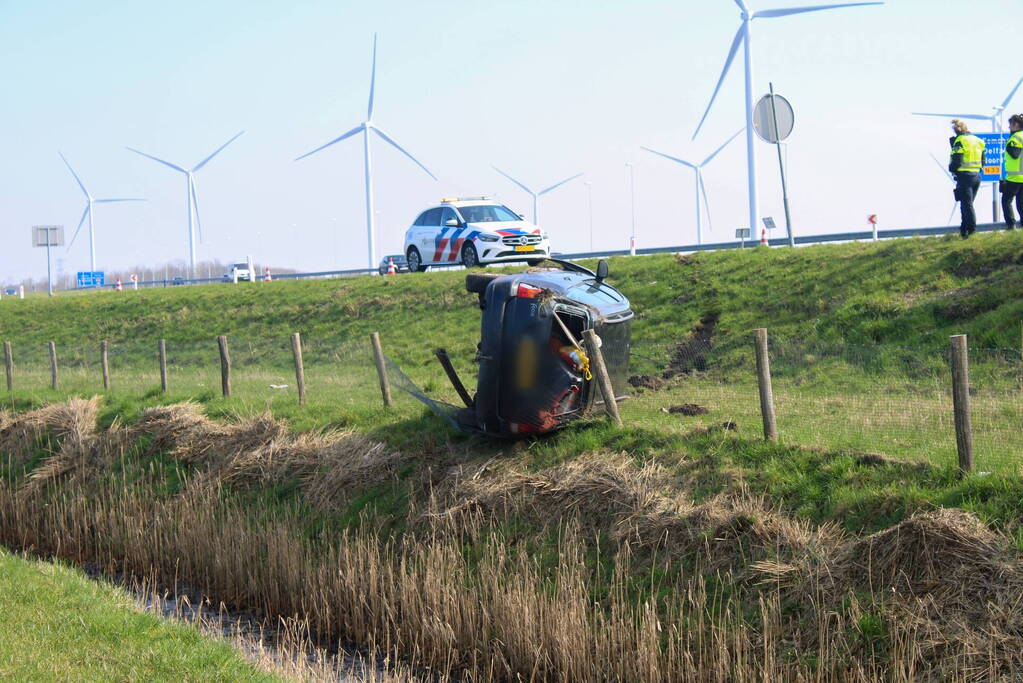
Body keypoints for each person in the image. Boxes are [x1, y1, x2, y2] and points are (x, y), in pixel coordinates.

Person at [948, 119, 986, 238]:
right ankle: (963, 229)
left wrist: (952, 169)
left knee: (966, 204)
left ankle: (971, 230)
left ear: (956, 130)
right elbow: (983, 160)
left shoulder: (960, 141)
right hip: (976, 176)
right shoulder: (978, 140)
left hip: (964, 176)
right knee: (967, 204)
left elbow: (957, 160)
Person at [1001, 114, 1023, 230]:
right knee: (1021, 202)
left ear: (1016, 125)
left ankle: (1011, 225)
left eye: (1010, 125)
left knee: (1006, 201)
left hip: (1016, 177)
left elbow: (1014, 154)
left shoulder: (1015, 138)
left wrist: (1008, 145)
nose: (1009, 127)